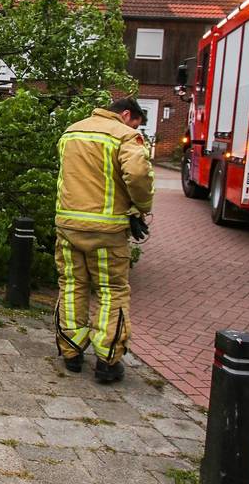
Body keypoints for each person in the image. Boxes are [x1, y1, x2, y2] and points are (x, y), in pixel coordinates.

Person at [54, 97, 153, 383]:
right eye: (136, 121)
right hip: (107, 231)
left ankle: (71, 351)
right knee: (112, 291)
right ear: (126, 114)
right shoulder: (125, 135)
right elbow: (138, 174)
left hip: (68, 225)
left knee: (72, 285)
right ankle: (108, 360)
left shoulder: (72, 131)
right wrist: (141, 207)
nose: (137, 128)